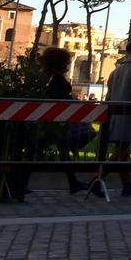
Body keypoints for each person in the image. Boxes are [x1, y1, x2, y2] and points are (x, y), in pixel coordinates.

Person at [97, 39, 131, 197]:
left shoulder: (115, 72)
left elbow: (109, 95)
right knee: (122, 150)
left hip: (114, 116)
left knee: (123, 151)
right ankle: (96, 179)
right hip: (130, 116)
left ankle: (127, 185)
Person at [40, 46, 92, 194]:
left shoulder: (51, 77)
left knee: (61, 151)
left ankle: (73, 182)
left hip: (58, 118)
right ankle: (73, 182)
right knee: (52, 149)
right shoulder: (57, 79)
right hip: (58, 119)